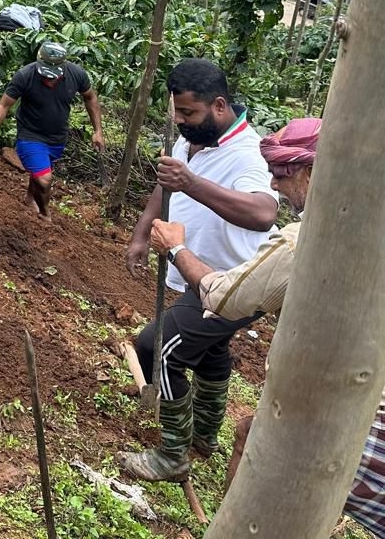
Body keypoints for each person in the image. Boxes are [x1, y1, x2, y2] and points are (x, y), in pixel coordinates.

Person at [150, 118, 385, 536]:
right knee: (249, 431)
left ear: (316, 170)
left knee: (162, 346)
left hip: (346, 410)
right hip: (364, 392)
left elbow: (223, 296)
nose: (275, 184)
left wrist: (176, 248)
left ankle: (181, 463)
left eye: (282, 173)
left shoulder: (305, 240)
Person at [115, 58, 280, 482]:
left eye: (188, 113)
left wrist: (191, 183)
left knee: (156, 348)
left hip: (239, 280)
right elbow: (166, 182)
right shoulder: (192, 139)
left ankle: (173, 455)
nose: (180, 121)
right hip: (201, 275)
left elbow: (263, 214)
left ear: (219, 105)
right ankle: (204, 436)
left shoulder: (249, 155)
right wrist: (141, 233)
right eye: (177, 111)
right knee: (210, 352)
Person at [0, 42, 103, 217]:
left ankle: (30, 199)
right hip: (30, 134)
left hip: (57, 137)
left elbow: (90, 97)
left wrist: (98, 130)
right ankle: (45, 215)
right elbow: (3, 105)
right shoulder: (25, 75)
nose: (49, 79)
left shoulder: (76, 74)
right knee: (45, 180)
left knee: (40, 172)